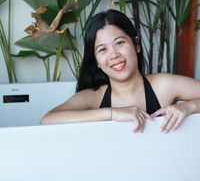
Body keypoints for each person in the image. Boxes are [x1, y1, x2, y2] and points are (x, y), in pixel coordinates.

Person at [40, 9, 200, 133]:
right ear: (96, 60)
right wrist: (111, 113)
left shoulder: (165, 85)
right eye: (102, 49)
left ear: (136, 44)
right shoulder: (93, 97)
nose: (114, 54)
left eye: (120, 43)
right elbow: (47, 120)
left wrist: (189, 108)